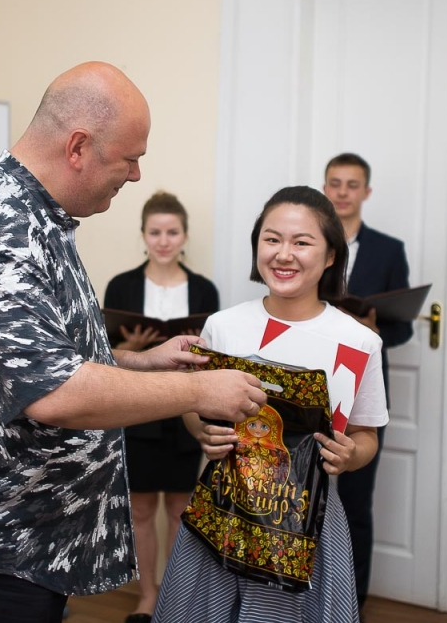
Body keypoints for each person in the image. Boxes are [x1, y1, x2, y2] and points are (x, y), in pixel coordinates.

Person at [0, 62, 268, 623]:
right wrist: (198, 391)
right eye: (129, 157)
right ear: (79, 146)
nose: (136, 175)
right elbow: (56, 391)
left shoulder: (38, 216)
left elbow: (45, 358)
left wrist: (144, 363)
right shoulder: (0, 222)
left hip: (25, 540)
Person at [153, 186, 389, 623]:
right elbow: (193, 403)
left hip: (306, 520)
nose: (284, 254)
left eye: (301, 242)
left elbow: (366, 437)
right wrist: (200, 430)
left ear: (331, 255)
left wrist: (351, 455)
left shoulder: (359, 342)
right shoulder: (223, 326)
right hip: (221, 512)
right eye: (272, 238)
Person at [103, 191, 220, 622]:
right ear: (143, 235)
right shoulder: (122, 285)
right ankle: (148, 595)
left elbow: (216, 354)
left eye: (172, 232)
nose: (164, 240)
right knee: (140, 508)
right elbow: (104, 351)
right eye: (156, 232)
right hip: (136, 407)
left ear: (185, 235)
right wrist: (129, 347)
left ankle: (175, 595)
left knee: (179, 508)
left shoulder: (204, 288)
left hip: (186, 407)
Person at [322, 152, 415, 620]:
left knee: (357, 504)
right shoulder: (309, 244)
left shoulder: (389, 249)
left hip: (364, 389)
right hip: (312, 384)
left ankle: (351, 604)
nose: (342, 192)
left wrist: (373, 331)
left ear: (366, 192)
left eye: (351, 184)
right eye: (334, 183)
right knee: (303, 496)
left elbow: (403, 330)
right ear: (324, 189)